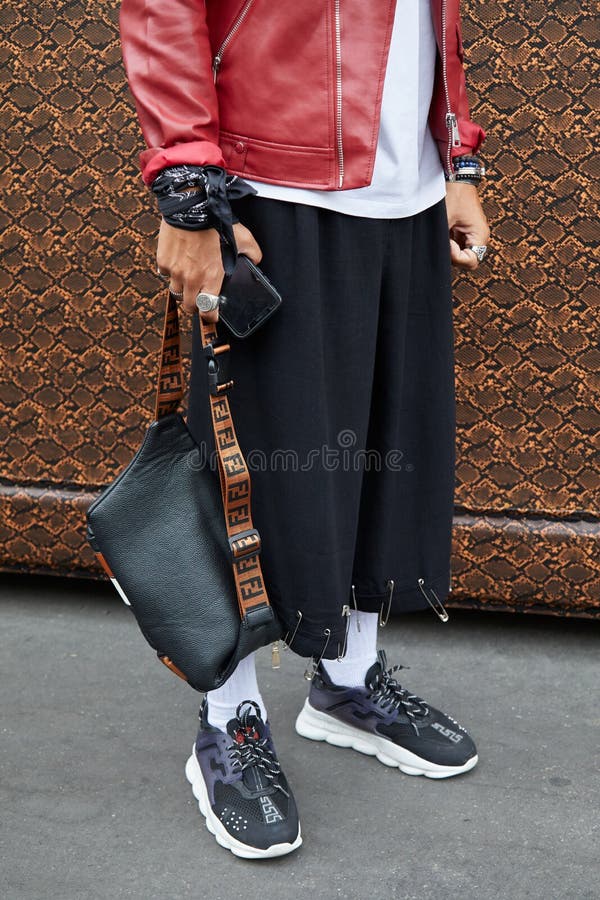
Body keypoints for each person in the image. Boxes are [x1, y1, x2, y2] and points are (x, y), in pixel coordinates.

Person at [120, 0, 491, 859]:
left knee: (385, 449)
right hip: (271, 182)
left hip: (409, 185)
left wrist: (455, 155)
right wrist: (186, 189)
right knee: (257, 462)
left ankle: (348, 682)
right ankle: (229, 717)